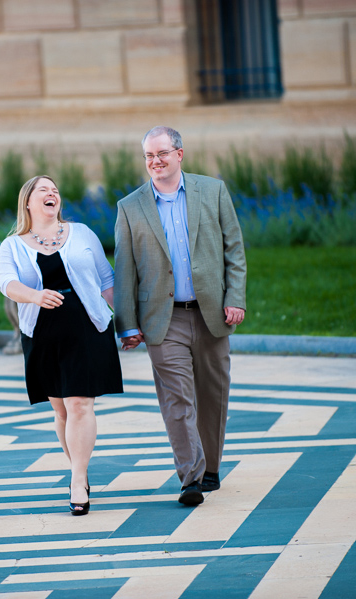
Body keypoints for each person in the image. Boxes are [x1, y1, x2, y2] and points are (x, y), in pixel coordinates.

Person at [113, 126, 247, 507]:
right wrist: (127, 323)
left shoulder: (213, 191)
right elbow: (125, 270)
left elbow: (234, 249)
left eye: (162, 154)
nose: (155, 162)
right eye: (148, 156)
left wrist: (234, 297)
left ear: (180, 154)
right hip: (162, 320)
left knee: (212, 393)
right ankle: (191, 477)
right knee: (177, 399)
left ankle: (211, 468)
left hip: (210, 314)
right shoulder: (130, 207)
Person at [0, 175, 123, 516]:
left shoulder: (81, 233)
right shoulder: (13, 245)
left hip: (86, 326)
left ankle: (78, 480)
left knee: (80, 404)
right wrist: (36, 296)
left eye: (55, 191)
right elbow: (7, 283)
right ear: (28, 202)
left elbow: (107, 279)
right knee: (61, 410)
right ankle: (78, 471)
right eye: (43, 190)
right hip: (43, 332)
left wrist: (128, 324)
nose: (52, 194)